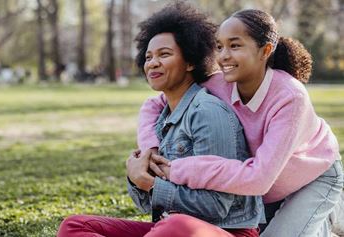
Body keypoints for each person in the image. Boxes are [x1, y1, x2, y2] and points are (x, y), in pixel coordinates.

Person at [57, 3, 264, 237]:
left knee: (174, 226)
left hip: (225, 231)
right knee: (75, 226)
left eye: (164, 54)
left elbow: (216, 207)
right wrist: (136, 178)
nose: (152, 63)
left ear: (190, 61)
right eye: (148, 57)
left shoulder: (208, 113)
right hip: (168, 229)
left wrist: (153, 186)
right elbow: (150, 206)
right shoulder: (162, 118)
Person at [137, 8, 344, 237]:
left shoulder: (290, 97)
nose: (223, 56)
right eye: (219, 46)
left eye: (234, 46)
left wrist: (177, 170)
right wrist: (151, 151)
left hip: (313, 177)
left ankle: (329, 214)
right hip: (269, 186)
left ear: (265, 50)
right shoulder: (219, 83)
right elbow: (153, 105)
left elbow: (258, 178)